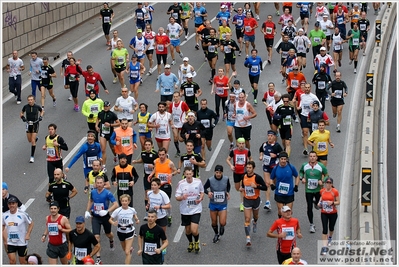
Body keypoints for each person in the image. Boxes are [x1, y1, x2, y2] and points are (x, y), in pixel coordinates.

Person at [85, 176, 119, 264]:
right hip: (96, 217)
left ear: (103, 183)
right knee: (96, 236)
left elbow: (116, 204)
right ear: (95, 184)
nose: (99, 185)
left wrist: (107, 211)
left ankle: (111, 240)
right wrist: (87, 211)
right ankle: (98, 258)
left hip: (105, 217)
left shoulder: (108, 193)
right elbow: (91, 201)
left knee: (108, 234)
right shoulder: (92, 192)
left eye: (101, 183)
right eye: (98, 183)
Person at [175, 167, 205, 254]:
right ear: (184, 174)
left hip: (196, 209)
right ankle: (190, 242)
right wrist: (182, 197)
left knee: (194, 230)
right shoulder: (181, 184)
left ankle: (196, 242)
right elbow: (177, 197)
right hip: (185, 210)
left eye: (190, 174)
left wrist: (201, 198)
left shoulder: (198, 182)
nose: (188, 176)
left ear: (192, 174)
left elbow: (202, 192)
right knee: (188, 230)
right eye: (187, 174)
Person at [148, 148, 178, 227]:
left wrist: (172, 174)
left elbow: (176, 171)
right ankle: (156, 217)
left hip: (166, 185)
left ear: (165, 154)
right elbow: (155, 169)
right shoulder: (156, 161)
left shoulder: (169, 163)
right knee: (156, 201)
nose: (161, 156)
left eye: (163, 155)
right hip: (157, 185)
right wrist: (151, 174)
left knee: (165, 202)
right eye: (160, 155)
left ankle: (169, 215)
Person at [239, 161, 267, 247]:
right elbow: (243, 185)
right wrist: (241, 188)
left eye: (250, 168)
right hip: (247, 200)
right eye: (247, 167)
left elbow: (265, 187)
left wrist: (256, 186)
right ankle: (248, 238)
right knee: (247, 219)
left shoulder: (257, 177)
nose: (248, 169)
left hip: (256, 200)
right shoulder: (243, 176)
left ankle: (255, 222)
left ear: (253, 168)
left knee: (255, 216)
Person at [300, 151, 328, 234]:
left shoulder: (321, 166)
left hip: (318, 190)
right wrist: (302, 178)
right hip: (308, 190)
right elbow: (301, 172)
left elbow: (326, 174)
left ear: (316, 157)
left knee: (320, 205)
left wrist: (322, 181)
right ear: (309, 157)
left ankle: (316, 202)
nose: (312, 158)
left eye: (314, 156)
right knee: (309, 207)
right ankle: (311, 224)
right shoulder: (305, 165)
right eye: (311, 156)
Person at [109, 194, 140, 264]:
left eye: (126, 201)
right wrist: (113, 223)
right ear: (121, 202)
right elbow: (110, 219)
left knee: (126, 252)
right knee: (124, 249)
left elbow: (134, 215)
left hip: (130, 231)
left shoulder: (132, 209)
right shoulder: (118, 210)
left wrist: (137, 219)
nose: (124, 202)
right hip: (120, 232)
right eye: (123, 201)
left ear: (129, 202)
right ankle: (130, 250)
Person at [132, 139, 159, 219]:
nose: (147, 146)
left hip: (154, 177)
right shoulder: (143, 153)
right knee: (147, 194)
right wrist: (136, 161)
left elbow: (160, 165)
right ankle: (147, 212)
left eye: (149, 145)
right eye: (146, 145)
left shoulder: (155, 154)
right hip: (146, 176)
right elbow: (142, 160)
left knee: (155, 193)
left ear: (152, 146)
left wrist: (153, 167)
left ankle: (156, 211)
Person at [2, 196, 34, 264]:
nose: (11, 205)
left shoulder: (22, 214)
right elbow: (2, 225)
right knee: (12, 261)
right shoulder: (4, 215)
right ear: (8, 205)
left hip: (22, 242)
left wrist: (28, 234)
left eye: (13, 203)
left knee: (23, 262)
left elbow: (31, 223)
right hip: (10, 242)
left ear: (16, 204)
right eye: (10, 204)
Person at [203, 165, 230, 243]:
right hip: (213, 204)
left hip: (222, 204)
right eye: (217, 172)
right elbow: (203, 188)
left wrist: (227, 192)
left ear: (222, 173)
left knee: (223, 222)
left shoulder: (226, 179)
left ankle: (222, 226)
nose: (218, 174)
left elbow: (228, 186)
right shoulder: (210, 180)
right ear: (214, 172)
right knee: (214, 223)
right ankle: (216, 234)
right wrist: (208, 192)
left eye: (220, 172)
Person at [270, 152, 300, 217]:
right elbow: (271, 178)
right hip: (279, 193)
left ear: (287, 159)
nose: (283, 161)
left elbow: (297, 176)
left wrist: (296, 185)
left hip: (289, 193)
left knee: (288, 212)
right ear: (279, 159)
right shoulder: (275, 168)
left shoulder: (291, 167)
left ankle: (287, 226)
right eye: (282, 159)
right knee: (281, 212)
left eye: (284, 159)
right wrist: (272, 184)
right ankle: (280, 224)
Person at [259, 130, 283, 211]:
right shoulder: (264, 144)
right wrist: (261, 156)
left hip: (274, 167)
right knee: (267, 184)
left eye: (271, 136)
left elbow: (283, 155)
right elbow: (261, 150)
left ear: (274, 137)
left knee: (274, 183)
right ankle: (268, 202)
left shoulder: (277, 146)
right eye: (268, 135)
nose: (269, 137)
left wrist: (276, 155)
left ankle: (279, 195)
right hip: (266, 166)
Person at [226, 137, 252, 212]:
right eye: (240, 143)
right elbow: (227, 159)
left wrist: (250, 166)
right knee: (237, 188)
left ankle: (242, 203)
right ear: (237, 144)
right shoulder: (234, 151)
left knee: (241, 189)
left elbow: (251, 159)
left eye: (243, 143)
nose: (241, 145)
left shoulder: (247, 151)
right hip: (236, 172)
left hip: (244, 172)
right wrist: (231, 165)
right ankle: (244, 198)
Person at [318, 177, 340, 255]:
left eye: (330, 183)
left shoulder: (335, 192)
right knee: (324, 229)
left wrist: (333, 203)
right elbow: (321, 198)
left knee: (331, 227)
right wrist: (319, 203)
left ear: (332, 184)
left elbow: (338, 202)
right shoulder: (322, 191)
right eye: (327, 183)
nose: (328, 184)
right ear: (325, 183)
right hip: (324, 212)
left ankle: (330, 237)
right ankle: (324, 247)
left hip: (333, 213)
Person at [298, 84, 321, 156]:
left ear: (310, 88)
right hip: (304, 115)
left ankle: (313, 149)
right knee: (305, 132)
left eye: (308, 87)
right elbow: (302, 103)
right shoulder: (302, 96)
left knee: (313, 133)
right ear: (304, 88)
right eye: (306, 87)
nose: (307, 89)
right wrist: (299, 106)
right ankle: (306, 149)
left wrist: (313, 107)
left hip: (312, 116)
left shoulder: (313, 96)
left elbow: (320, 106)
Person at [95, 101, 120, 168]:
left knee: (112, 148)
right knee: (103, 150)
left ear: (109, 106)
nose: (105, 108)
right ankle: (103, 166)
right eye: (105, 106)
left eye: (107, 106)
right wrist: (96, 126)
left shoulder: (112, 114)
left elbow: (118, 123)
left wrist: (110, 125)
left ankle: (115, 156)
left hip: (111, 134)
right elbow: (98, 119)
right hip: (103, 134)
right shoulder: (100, 113)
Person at [20, 95, 44, 163]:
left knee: (33, 141)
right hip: (28, 124)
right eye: (29, 100)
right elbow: (21, 113)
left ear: (34, 100)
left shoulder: (37, 107)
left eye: (31, 99)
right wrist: (23, 118)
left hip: (35, 123)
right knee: (29, 140)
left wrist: (40, 117)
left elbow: (42, 111)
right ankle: (36, 138)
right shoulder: (25, 107)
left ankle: (32, 156)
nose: (30, 101)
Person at [169, 91, 190, 157]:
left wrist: (186, 118)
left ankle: (188, 145)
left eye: (176, 97)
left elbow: (188, 112)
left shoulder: (183, 104)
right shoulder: (171, 105)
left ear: (179, 97)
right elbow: (169, 114)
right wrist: (171, 122)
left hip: (182, 124)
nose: (175, 98)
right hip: (175, 124)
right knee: (175, 138)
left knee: (180, 139)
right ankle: (178, 151)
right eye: (174, 97)